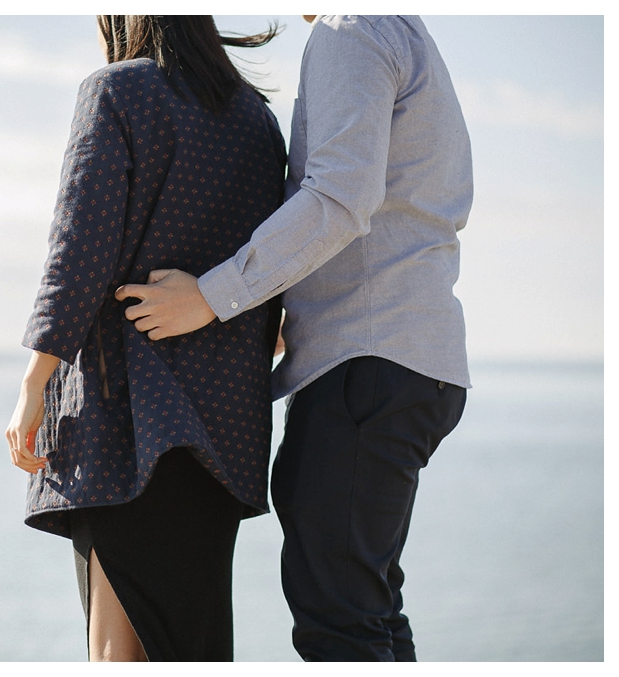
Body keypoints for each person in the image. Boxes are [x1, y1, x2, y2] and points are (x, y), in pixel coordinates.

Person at [115, 15, 472, 661]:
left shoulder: (351, 27)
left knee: (341, 621)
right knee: (367, 610)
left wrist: (213, 296)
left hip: (366, 357)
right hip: (409, 358)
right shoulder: (400, 29)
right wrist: (283, 298)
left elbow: (339, 193)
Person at [4, 16, 286, 662]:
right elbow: (275, 272)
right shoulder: (259, 123)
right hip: (224, 442)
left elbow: (77, 253)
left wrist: (32, 386)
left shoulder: (115, 93)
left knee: (116, 655)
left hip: (127, 432)